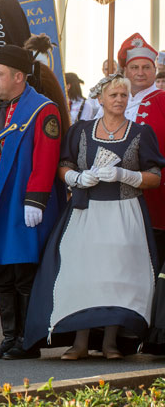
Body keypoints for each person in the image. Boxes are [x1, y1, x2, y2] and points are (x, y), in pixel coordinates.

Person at [23, 74, 164, 360]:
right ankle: (79, 342)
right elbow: (64, 165)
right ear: (100, 98)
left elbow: (155, 177)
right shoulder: (81, 131)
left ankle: (110, 342)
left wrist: (126, 175)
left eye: (123, 95)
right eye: (113, 95)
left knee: (118, 276)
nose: (119, 100)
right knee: (80, 273)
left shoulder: (141, 132)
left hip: (125, 213)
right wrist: (75, 177)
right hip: (85, 212)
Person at [0, 45, 63, 360]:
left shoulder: (43, 110)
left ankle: (28, 340)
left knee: (23, 271)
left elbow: (46, 157)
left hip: (23, 204)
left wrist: (36, 200)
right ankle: (9, 337)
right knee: (1, 272)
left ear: (18, 77)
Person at [98, 34, 165, 262]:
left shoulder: (162, 99)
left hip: (156, 192)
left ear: (155, 70)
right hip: (114, 193)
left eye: (146, 67)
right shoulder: (112, 101)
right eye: (134, 67)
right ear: (125, 70)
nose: (140, 72)